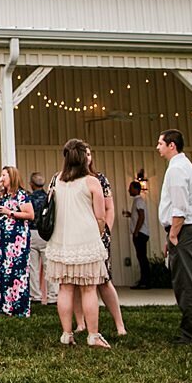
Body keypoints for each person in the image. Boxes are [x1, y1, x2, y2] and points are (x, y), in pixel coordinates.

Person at [45, 139, 109, 349]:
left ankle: (66, 333)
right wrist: (99, 232)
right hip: (85, 239)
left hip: (62, 240)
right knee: (89, 289)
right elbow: (100, 216)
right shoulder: (92, 182)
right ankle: (92, 335)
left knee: (65, 288)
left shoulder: (56, 180)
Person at [157, 129, 192, 344]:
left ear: (172, 145)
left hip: (185, 231)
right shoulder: (185, 166)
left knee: (186, 284)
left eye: (160, 143)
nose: (157, 147)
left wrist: (173, 235)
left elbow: (179, 207)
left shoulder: (177, 169)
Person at [74, 147, 126, 336]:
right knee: (78, 281)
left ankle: (119, 325)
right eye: (84, 154)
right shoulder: (71, 180)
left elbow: (109, 208)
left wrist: (106, 231)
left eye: (89, 154)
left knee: (104, 280)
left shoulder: (100, 179)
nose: (87, 157)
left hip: (99, 235)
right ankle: (81, 324)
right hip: (77, 236)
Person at [0, 166, 34, 318]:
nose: (2, 177)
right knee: (4, 271)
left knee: (17, 272)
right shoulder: (3, 196)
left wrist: (9, 212)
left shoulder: (21, 195)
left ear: (12, 177)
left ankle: (19, 307)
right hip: (4, 240)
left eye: (4, 175)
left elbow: (30, 214)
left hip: (18, 240)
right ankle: (4, 306)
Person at [26, 172, 55, 306]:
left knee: (33, 267)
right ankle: (52, 296)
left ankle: (35, 295)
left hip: (32, 232)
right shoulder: (48, 198)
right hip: (46, 233)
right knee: (49, 266)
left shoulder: (28, 198)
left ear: (32, 184)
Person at [123, 175, 152, 289]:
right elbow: (137, 215)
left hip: (140, 233)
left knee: (142, 258)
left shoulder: (139, 200)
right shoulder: (137, 201)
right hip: (141, 233)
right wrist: (130, 215)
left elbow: (141, 216)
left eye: (131, 188)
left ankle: (145, 282)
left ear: (136, 189)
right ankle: (144, 281)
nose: (129, 190)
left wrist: (136, 231)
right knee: (141, 257)